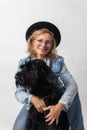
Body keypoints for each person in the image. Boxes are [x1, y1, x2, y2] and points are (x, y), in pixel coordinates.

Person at [13, 21, 84, 130]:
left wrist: (59, 106)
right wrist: (32, 98)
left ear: (52, 45)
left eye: (48, 42)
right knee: (18, 127)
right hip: (37, 98)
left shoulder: (57, 61)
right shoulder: (24, 63)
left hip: (60, 96)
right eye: (40, 41)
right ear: (32, 41)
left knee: (76, 123)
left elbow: (72, 85)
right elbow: (19, 92)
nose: (43, 45)